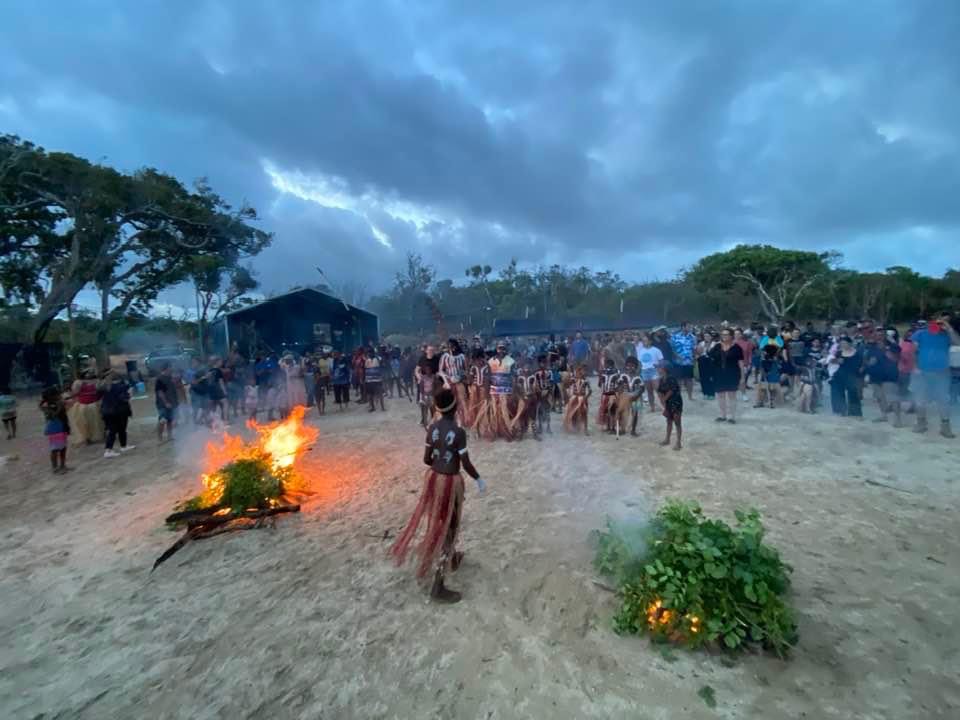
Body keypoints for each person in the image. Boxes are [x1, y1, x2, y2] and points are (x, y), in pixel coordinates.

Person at [390, 388, 484, 604]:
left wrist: (439, 466)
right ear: (455, 405)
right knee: (449, 527)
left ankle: (452, 557)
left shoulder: (432, 427)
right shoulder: (458, 432)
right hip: (450, 482)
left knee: (439, 520)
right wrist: (478, 478)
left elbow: (426, 459)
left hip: (433, 478)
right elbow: (465, 463)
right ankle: (438, 586)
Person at [911, 312, 959, 437]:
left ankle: (945, 427)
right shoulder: (920, 333)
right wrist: (915, 367)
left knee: (943, 400)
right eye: (938, 321)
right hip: (922, 371)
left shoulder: (946, 335)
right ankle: (921, 423)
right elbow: (913, 351)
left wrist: (948, 328)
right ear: (931, 321)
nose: (939, 323)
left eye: (943, 321)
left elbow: (958, 342)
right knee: (920, 400)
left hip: (942, 372)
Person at [864, 332, 902, 426]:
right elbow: (867, 362)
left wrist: (892, 340)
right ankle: (884, 415)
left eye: (881, 338)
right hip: (875, 376)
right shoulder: (871, 349)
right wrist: (870, 364)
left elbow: (898, 351)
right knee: (880, 397)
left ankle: (898, 419)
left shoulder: (891, 348)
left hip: (889, 377)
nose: (878, 339)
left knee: (893, 398)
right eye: (877, 338)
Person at [709, 328, 745, 423]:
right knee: (720, 395)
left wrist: (742, 377)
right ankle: (722, 415)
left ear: (731, 336)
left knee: (731, 395)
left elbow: (740, 363)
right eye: (723, 334)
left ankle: (732, 416)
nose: (724, 336)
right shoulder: (717, 346)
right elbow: (710, 356)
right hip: (718, 373)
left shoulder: (737, 348)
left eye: (726, 334)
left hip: (732, 373)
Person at [101, 371, 135, 457]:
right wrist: (130, 393)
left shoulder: (105, 387)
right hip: (119, 411)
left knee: (114, 430)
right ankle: (109, 450)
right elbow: (125, 398)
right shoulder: (121, 387)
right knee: (120, 429)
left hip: (107, 411)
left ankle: (121, 446)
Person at [487, 341, 516, 440]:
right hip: (493, 390)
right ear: (496, 349)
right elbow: (488, 376)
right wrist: (487, 392)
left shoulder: (511, 361)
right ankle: (493, 432)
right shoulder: (490, 361)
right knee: (493, 411)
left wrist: (512, 391)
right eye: (499, 348)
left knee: (504, 411)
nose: (501, 350)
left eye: (503, 348)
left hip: (506, 390)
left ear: (506, 349)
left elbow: (513, 377)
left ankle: (508, 432)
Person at [66, 370, 104, 446]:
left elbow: (100, 391)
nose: (89, 374)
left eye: (90, 372)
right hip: (83, 406)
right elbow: (75, 393)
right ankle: (86, 438)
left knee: (96, 422)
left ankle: (95, 437)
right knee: (83, 423)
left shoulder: (96, 381)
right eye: (87, 372)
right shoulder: (78, 382)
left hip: (94, 405)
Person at [829, 337, 863, 417]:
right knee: (837, 392)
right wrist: (837, 361)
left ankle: (855, 413)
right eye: (842, 344)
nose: (843, 345)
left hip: (852, 375)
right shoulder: (839, 353)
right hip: (840, 374)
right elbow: (831, 361)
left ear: (849, 343)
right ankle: (841, 410)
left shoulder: (857, 353)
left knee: (853, 393)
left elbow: (861, 364)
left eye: (845, 343)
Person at [40, 386, 70, 473]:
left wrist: (62, 405)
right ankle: (55, 467)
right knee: (55, 449)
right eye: (57, 394)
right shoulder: (45, 406)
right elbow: (52, 416)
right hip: (54, 429)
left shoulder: (55, 403)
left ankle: (63, 465)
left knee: (63, 447)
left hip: (61, 427)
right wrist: (60, 406)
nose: (59, 396)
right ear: (51, 396)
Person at [439, 338, 469, 427]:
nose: (449, 347)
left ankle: (462, 421)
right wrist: (447, 380)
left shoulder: (462, 356)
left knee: (462, 401)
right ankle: (448, 420)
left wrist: (461, 376)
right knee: (448, 402)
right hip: (448, 383)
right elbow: (441, 371)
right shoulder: (444, 356)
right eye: (448, 346)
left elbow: (466, 370)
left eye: (451, 346)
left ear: (455, 346)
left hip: (459, 383)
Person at [656, 364, 682, 450]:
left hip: (675, 401)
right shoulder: (661, 379)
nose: (657, 369)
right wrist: (662, 400)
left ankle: (678, 442)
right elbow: (659, 391)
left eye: (659, 367)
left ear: (664, 369)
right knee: (669, 421)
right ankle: (668, 439)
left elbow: (671, 390)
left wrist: (663, 400)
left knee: (677, 421)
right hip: (668, 402)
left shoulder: (671, 378)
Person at [670, 322, 696, 401]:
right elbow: (672, 348)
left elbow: (694, 349)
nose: (690, 328)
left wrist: (694, 358)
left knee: (689, 379)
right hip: (678, 361)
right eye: (688, 326)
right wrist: (677, 356)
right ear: (683, 327)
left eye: (690, 326)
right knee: (678, 380)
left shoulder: (693, 337)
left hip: (689, 361)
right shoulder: (675, 336)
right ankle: (678, 396)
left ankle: (690, 396)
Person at [637, 333, 663, 412]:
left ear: (650, 341)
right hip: (645, 372)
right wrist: (639, 372)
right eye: (643, 341)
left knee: (658, 390)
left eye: (646, 341)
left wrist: (659, 369)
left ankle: (663, 406)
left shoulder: (656, 350)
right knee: (649, 391)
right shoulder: (641, 351)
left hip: (653, 370)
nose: (645, 343)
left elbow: (661, 361)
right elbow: (640, 363)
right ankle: (652, 407)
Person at [563, 364, 591, 434]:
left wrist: (586, 397)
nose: (581, 373)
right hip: (574, 397)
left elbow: (590, 391)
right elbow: (566, 386)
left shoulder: (586, 381)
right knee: (573, 413)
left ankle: (585, 429)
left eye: (583, 372)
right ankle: (575, 427)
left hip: (582, 397)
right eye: (579, 372)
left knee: (584, 413)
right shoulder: (573, 379)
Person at [155, 363, 179, 442]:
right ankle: (159, 438)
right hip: (162, 404)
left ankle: (169, 436)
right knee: (162, 420)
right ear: (166, 368)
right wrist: (166, 403)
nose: (172, 369)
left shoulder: (170, 377)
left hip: (172, 402)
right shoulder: (160, 379)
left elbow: (173, 389)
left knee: (170, 420)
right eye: (170, 368)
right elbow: (160, 392)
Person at [597, 356, 621, 434]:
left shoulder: (605, 372)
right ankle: (610, 427)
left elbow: (600, 384)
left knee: (610, 411)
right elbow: (600, 384)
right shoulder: (616, 372)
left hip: (609, 394)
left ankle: (611, 428)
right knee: (609, 411)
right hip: (610, 394)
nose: (608, 367)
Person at [756, 344, 783, 408]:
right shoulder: (774, 358)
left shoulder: (767, 359)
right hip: (773, 377)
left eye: (765, 351)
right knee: (769, 390)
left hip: (770, 377)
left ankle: (764, 402)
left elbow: (764, 369)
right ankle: (768, 402)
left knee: (763, 389)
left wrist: (764, 372)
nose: (763, 352)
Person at [734, 328, 755, 399]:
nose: (736, 335)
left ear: (741, 334)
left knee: (742, 380)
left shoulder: (747, 343)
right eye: (735, 334)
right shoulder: (731, 343)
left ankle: (744, 394)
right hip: (732, 364)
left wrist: (749, 364)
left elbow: (750, 354)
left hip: (743, 364)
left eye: (738, 334)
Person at [363, 347, 385, 412]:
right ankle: (373, 407)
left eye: (370, 352)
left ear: (373, 352)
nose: (369, 354)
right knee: (370, 395)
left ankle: (382, 407)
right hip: (369, 380)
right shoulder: (367, 360)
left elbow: (383, 366)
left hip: (378, 380)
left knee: (380, 394)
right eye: (368, 352)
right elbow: (365, 370)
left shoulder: (378, 359)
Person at [695, 332, 717, 400]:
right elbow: (697, 353)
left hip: (711, 361)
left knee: (711, 377)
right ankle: (705, 393)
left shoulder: (715, 344)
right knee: (703, 377)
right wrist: (698, 353)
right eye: (705, 336)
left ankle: (711, 393)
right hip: (702, 361)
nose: (706, 337)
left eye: (708, 336)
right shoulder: (701, 343)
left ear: (711, 337)